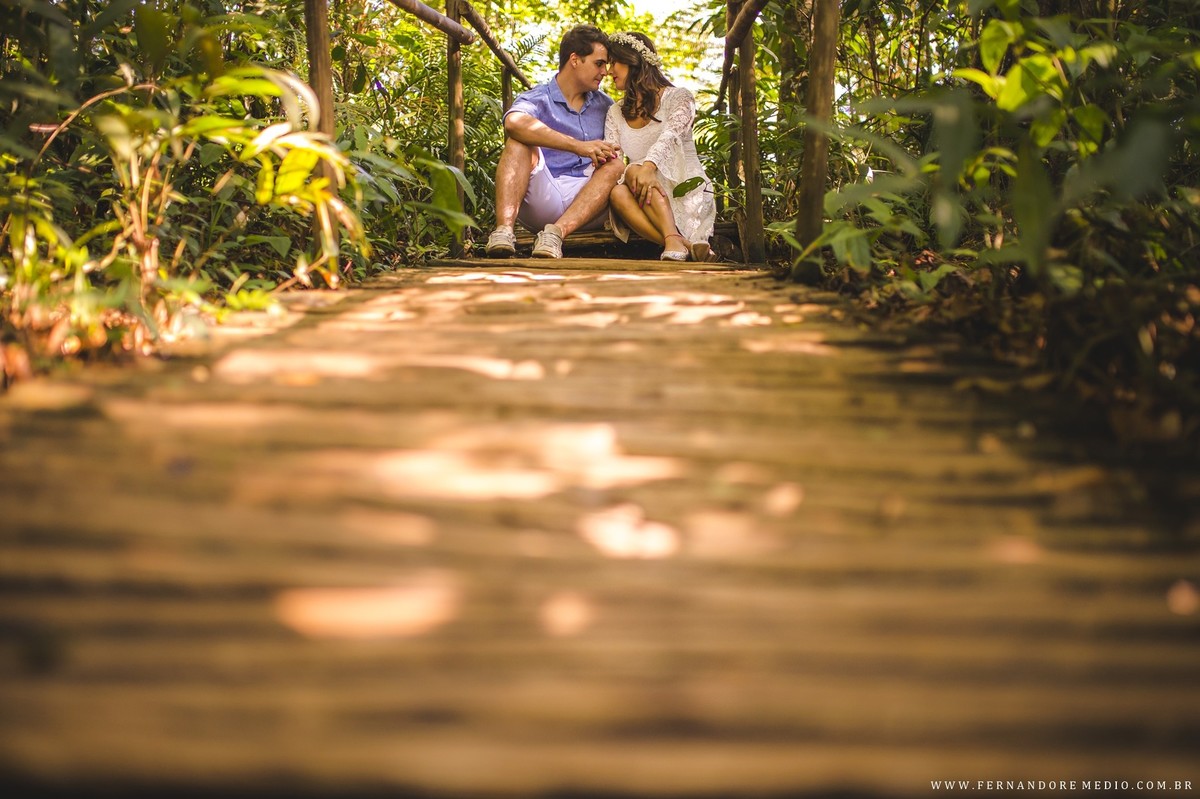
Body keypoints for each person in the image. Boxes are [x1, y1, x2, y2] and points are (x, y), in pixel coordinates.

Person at [485, 25, 625, 259]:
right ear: (575, 60)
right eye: (599, 63)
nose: (605, 71)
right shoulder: (538, 98)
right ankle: (504, 232)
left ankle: (555, 235)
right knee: (517, 142)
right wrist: (579, 145)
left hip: (589, 204)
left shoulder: (606, 104)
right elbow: (513, 123)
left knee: (616, 164)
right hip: (544, 194)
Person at [603, 32, 717, 262]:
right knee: (617, 191)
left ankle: (675, 240)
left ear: (633, 61)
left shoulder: (679, 98)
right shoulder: (615, 112)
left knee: (636, 170)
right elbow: (614, 158)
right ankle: (677, 240)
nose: (608, 70)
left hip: (684, 188)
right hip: (644, 200)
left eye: (614, 62)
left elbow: (670, 137)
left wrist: (648, 167)